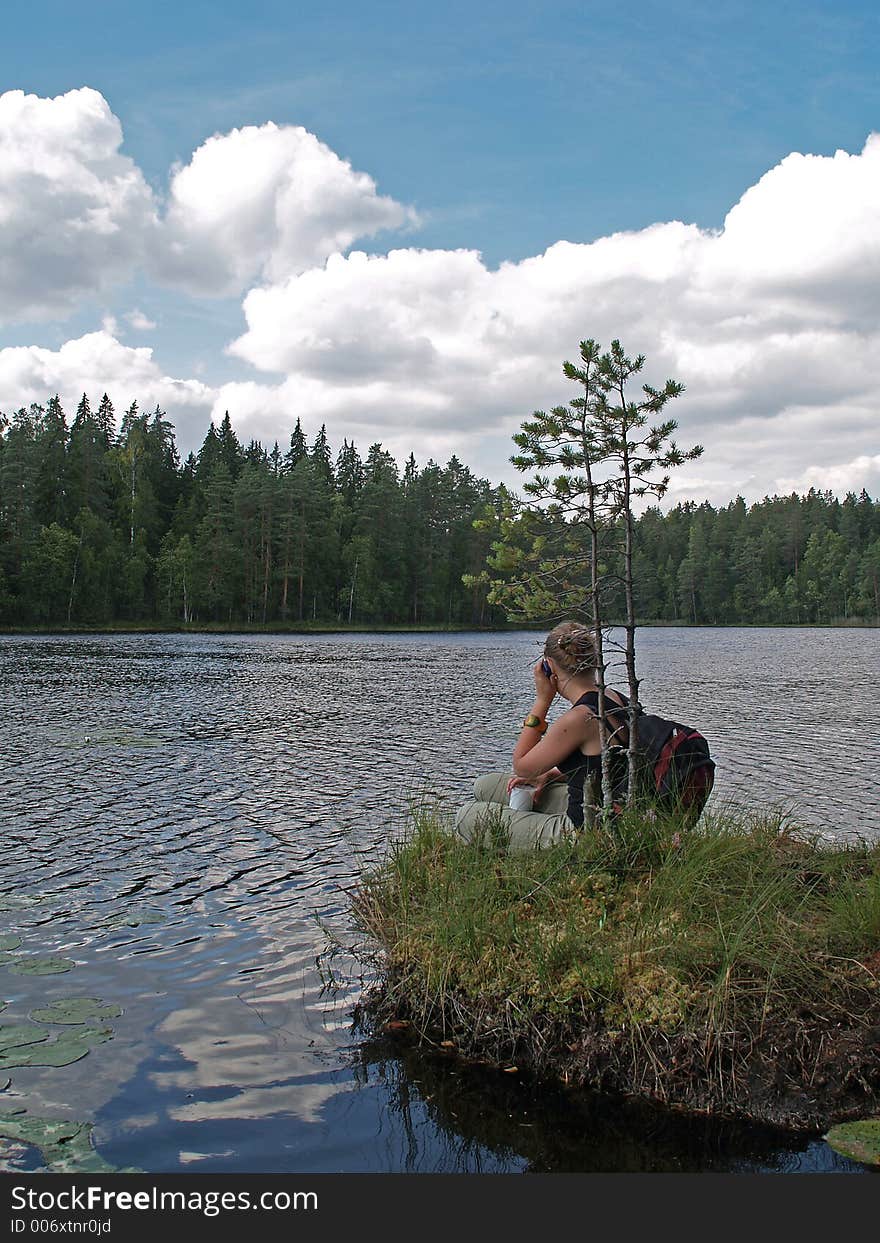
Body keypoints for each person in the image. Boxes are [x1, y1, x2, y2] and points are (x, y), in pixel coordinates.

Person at [454, 621, 629, 851]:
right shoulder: (613, 697)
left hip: (583, 832)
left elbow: (522, 766)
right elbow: (605, 767)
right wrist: (550, 776)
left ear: (549, 668)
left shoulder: (579, 718)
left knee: (467, 815)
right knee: (484, 786)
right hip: (604, 806)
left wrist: (542, 701)